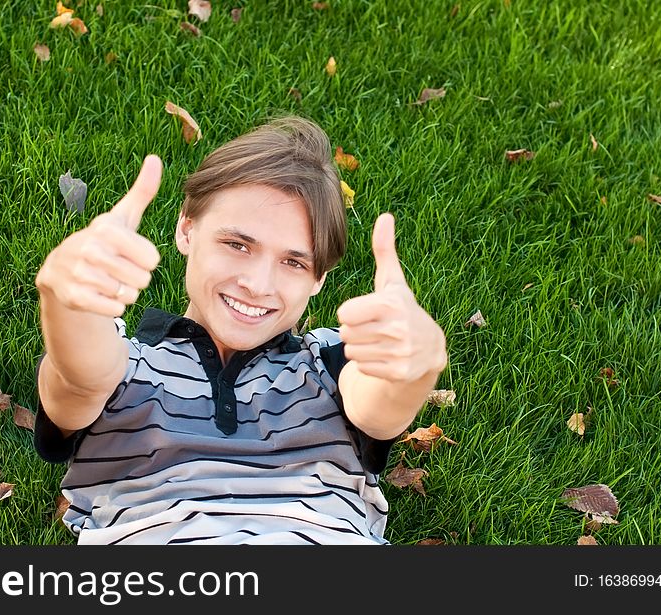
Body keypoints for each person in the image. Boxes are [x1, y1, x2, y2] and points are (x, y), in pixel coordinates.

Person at [32, 115, 448, 545]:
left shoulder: (330, 362)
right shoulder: (127, 362)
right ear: (186, 229)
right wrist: (68, 308)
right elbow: (81, 377)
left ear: (319, 277)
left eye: (293, 261)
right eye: (237, 245)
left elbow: (378, 404)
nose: (258, 284)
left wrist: (411, 368)